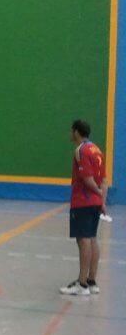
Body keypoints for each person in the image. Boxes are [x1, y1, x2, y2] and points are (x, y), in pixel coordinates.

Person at [60, 119, 107, 296]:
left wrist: (97, 194)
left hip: (83, 200)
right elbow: (104, 180)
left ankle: (81, 284)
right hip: (95, 202)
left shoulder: (81, 150)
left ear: (76, 132)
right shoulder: (97, 150)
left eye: (71, 131)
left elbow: (87, 179)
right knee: (92, 238)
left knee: (83, 240)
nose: (69, 134)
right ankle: (92, 281)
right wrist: (102, 200)